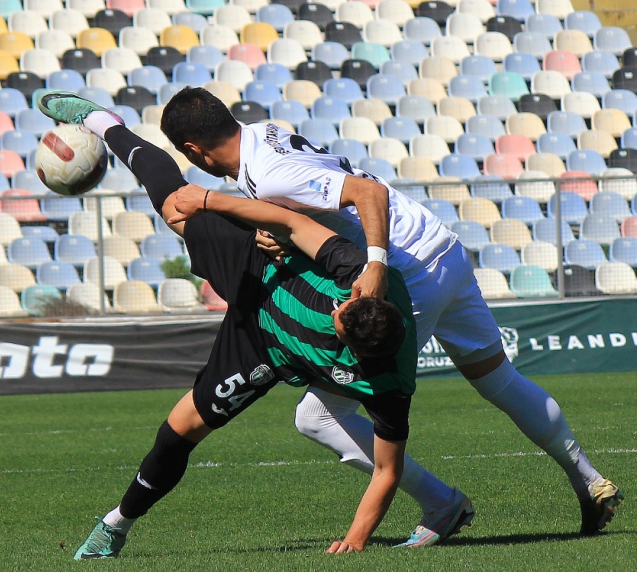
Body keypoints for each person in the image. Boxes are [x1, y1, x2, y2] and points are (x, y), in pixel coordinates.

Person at [156, 87, 624, 540]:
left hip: (403, 273)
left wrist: (376, 261)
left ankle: (442, 503)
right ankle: (589, 479)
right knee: (498, 379)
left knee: (316, 416)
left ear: (194, 150)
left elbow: (365, 194)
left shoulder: (268, 170)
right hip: (440, 247)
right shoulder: (266, 131)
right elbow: (311, 199)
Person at [38, 92, 473, 559]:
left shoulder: (388, 384)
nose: (336, 308)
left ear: (355, 353)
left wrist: (355, 541)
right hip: (260, 269)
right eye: (344, 305)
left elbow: (387, 469)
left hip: (264, 349)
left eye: (337, 319)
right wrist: (216, 203)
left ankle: (113, 525)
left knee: (183, 426)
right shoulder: (356, 272)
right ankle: (105, 123)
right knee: (173, 206)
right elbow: (287, 217)